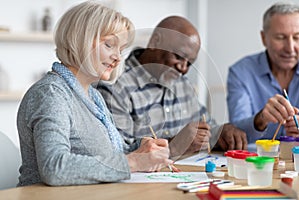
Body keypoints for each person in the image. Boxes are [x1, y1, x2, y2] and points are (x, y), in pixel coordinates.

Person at [16, 1, 173, 187]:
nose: (117, 57)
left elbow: (110, 155)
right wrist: (134, 162)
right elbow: (54, 167)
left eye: (120, 50)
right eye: (109, 45)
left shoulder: (93, 95)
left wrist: (140, 148)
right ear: (79, 39)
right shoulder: (51, 94)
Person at [96, 16, 247, 160]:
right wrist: (174, 146)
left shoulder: (182, 84)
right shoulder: (115, 87)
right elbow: (118, 154)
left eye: (189, 63)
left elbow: (207, 127)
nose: (183, 68)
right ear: (155, 42)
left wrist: (221, 133)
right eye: (179, 57)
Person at [227, 2, 299, 144]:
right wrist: (260, 120)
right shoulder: (241, 72)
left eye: (297, 37)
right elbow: (236, 132)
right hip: (259, 162)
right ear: (263, 38)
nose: (290, 48)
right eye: (280, 37)